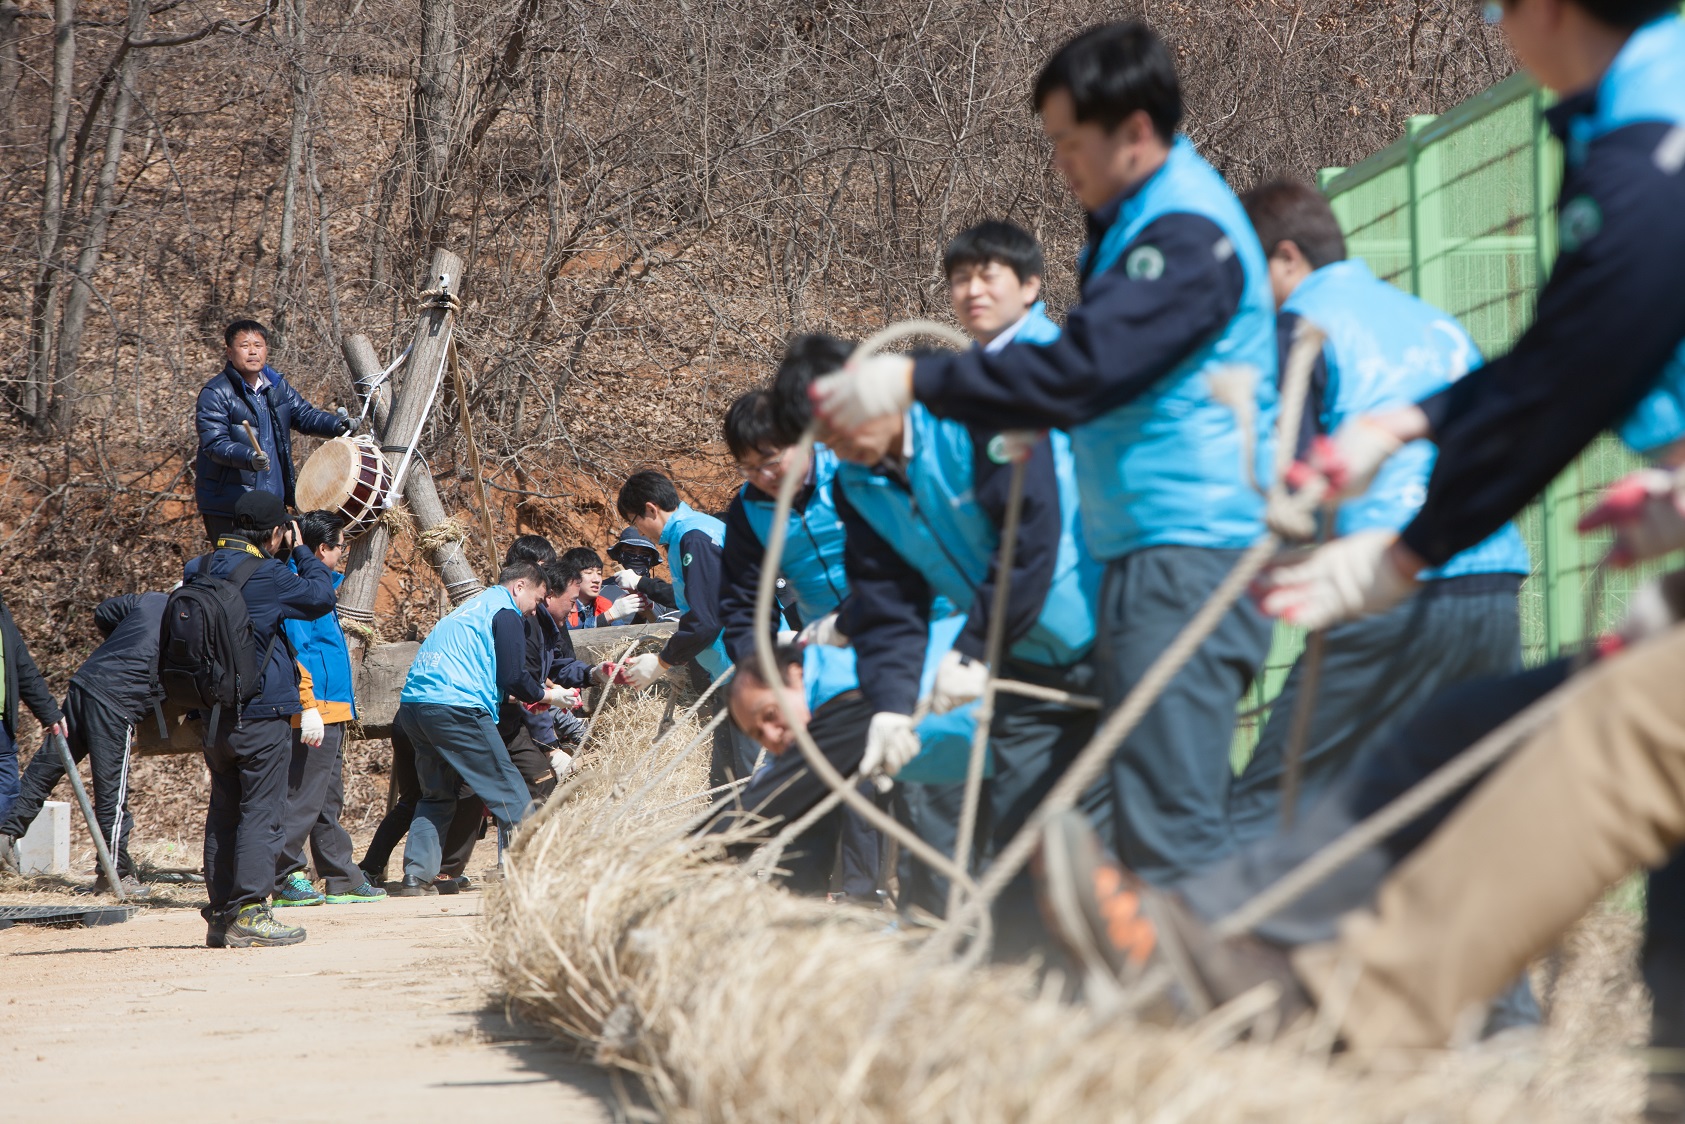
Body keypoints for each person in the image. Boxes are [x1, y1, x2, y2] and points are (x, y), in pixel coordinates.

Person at [1033, 2, 1685, 1109]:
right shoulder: (1601, 133)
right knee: (1459, 738)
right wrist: (1411, 426)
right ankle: (1258, 959)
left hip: (1405, 569)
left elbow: (1581, 355)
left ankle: (1296, 984)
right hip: (1500, 567)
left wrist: (1399, 547)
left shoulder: (1649, 129)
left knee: (1605, 730)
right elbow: (1559, 349)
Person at [811, 21, 1280, 885]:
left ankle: (1218, 1005)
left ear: (1133, 131)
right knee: (1062, 835)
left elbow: (1079, 376)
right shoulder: (1126, 223)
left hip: (1188, 545)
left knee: (1167, 815)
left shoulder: (1179, 232)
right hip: (1129, 554)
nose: (1058, 160)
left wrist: (916, 384)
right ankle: (1066, 987)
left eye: (1070, 139)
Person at [1217, 180, 1532, 847]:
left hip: (1381, 580)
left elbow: (1290, 487)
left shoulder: (1300, 329)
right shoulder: (1429, 319)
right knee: (1461, 805)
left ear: (1286, 258)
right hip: (1490, 576)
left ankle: (1215, 939)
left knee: (1272, 804)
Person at [776, 334, 1103, 948]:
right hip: (1023, 664)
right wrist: (893, 705)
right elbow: (896, 604)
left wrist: (975, 648)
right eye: (826, 443)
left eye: (843, 428)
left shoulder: (969, 421)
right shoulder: (858, 482)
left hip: (1101, 627)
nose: (842, 449)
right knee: (1015, 857)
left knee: (1121, 827)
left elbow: (1028, 539)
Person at [713, 387, 885, 899]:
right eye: (749, 468)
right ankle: (799, 906)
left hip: (898, 632)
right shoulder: (747, 512)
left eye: (771, 459)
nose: (764, 476)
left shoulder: (855, 474)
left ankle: (863, 897)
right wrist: (759, 676)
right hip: (823, 660)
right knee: (801, 775)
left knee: (862, 778)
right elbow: (740, 607)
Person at [360, 536, 558, 892]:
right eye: (537, 600)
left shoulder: (469, 608)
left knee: (435, 795)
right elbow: (512, 677)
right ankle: (533, 873)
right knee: (510, 789)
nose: (534, 609)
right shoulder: (507, 613)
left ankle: (416, 877)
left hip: (415, 708)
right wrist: (549, 694)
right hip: (459, 707)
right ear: (520, 586)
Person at [187, 491, 337, 947]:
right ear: (276, 533)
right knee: (261, 813)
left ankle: (220, 914)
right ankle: (251, 909)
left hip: (212, 716)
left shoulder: (199, 568)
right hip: (261, 713)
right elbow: (321, 596)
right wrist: (301, 553)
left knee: (224, 811)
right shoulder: (270, 574)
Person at [0, 591, 164, 892]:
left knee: (47, 767)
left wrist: (118, 643)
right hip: (117, 700)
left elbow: (103, 610)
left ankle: (6, 833)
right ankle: (113, 874)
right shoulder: (195, 622)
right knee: (111, 793)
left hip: (85, 682)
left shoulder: (150, 600)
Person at [611, 471, 758, 787]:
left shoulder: (693, 537)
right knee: (725, 779)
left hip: (746, 670)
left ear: (652, 509)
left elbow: (705, 619)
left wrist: (661, 662)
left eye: (637, 521)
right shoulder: (702, 529)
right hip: (732, 671)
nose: (640, 531)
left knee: (749, 781)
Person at [271, 512, 386, 907]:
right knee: (303, 798)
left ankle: (340, 875)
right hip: (314, 709)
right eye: (339, 547)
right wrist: (308, 708)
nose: (342, 553)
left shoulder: (317, 587)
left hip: (333, 707)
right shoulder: (298, 589)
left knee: (326, 799)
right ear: (322, 549)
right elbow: (297, 652)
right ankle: (284, 876)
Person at [194, 320, 355, 543]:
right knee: (238, 571)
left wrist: (338, 426)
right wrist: (249, 457)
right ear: (229, 352)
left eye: (258, 345)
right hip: (232, 505)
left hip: (272, 504)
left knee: (276, 571)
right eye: (245, 346)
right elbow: (213, 443)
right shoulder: (216, 392)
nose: (253, 351)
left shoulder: (276, 386)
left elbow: (305, 415)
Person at [497, 558, 602, 801]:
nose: (574, 609)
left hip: (521, 716)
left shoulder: (548, 624)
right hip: (506, 717)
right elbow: (528, 689)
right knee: (541, 783)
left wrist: (591, 674)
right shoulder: (528, 625)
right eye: (572, 601)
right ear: (550, 595)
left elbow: (553, 669)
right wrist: (550, 748)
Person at [0, 580, 69, 874]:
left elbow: (22, 666)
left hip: (1, 725)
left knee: (8, 789)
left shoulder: (1, 613)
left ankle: (2, 850)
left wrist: (50, 713)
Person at [605, 527, 679, 621]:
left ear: (652, 560)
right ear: (620, 553)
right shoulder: (600, 589)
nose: (637, 556)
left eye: (644, 553)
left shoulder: (662, 594)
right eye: (630, 551)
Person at [560, 546, 642, 629]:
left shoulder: (605, 605)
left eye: (599, 573)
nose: (597, 579)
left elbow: (622, 637)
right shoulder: (559, 604)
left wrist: (641, 615)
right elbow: (567, 636)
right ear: (570, 576)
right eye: (589, 573)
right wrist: (608, 616)